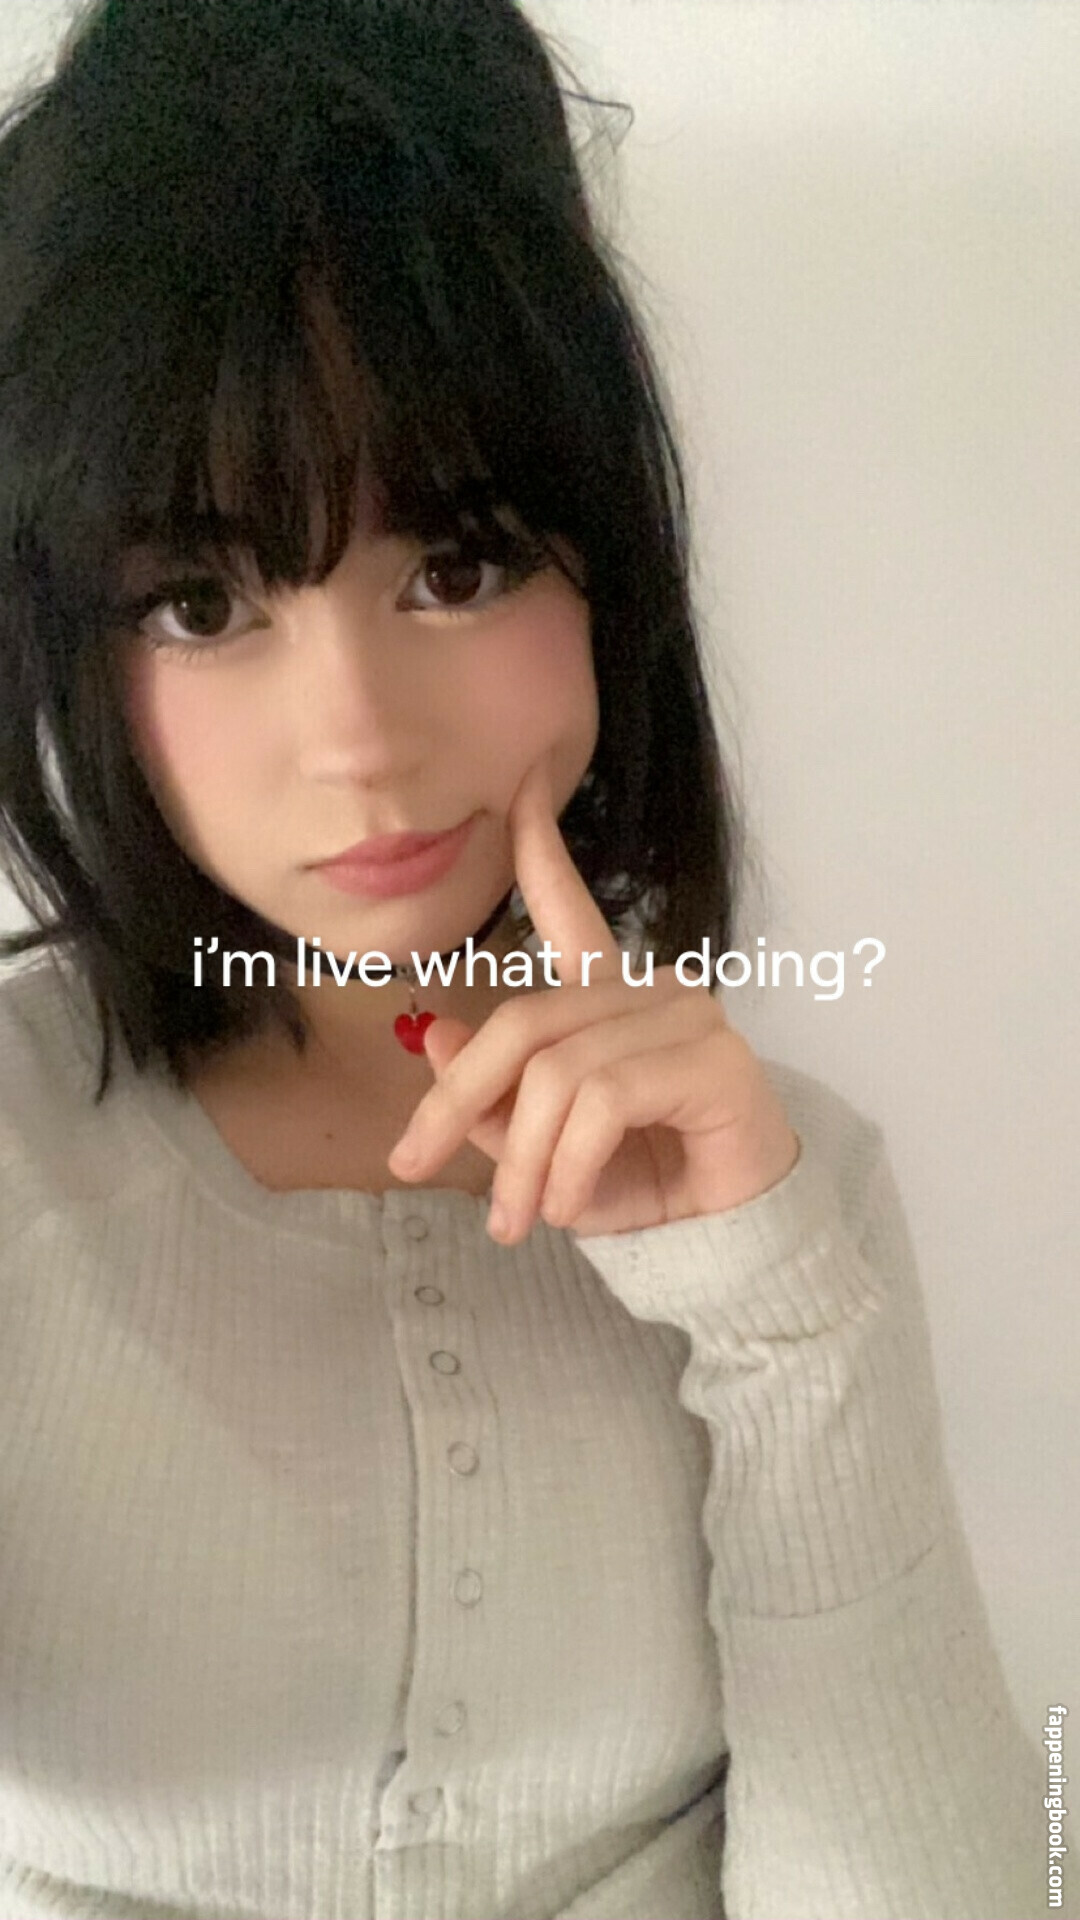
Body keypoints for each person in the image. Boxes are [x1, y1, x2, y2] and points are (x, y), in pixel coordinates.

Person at [0, 3, 1054, 1917]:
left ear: (606, 582)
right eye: (201, 601)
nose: (359, 742)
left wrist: (776, 1311)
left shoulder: (790, 1190)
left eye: (459, 566)